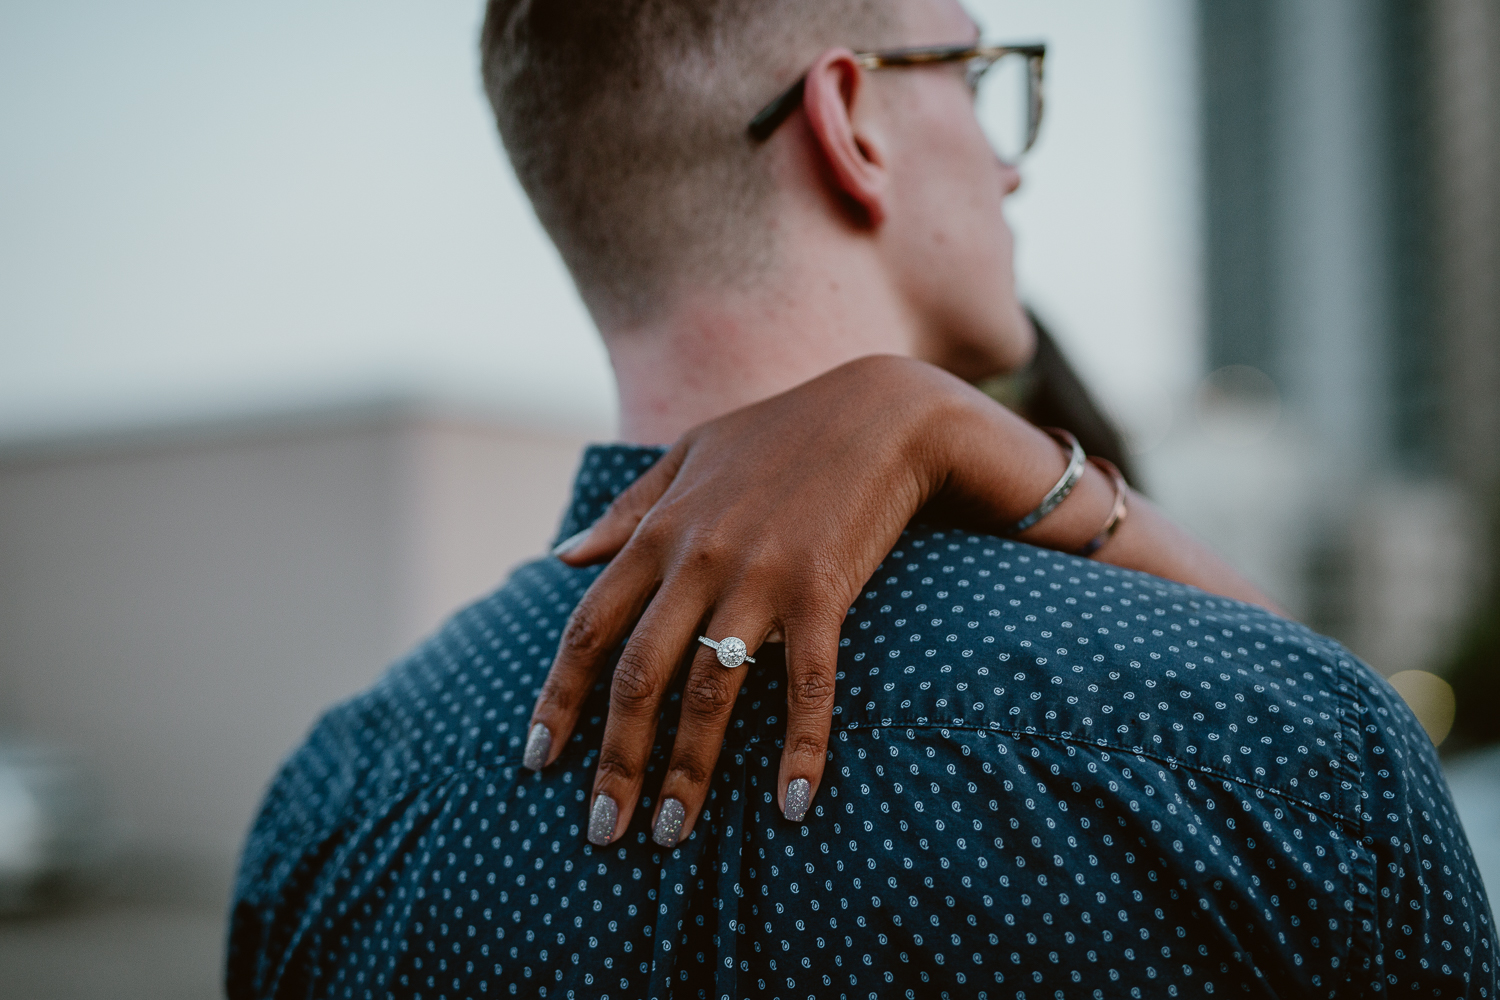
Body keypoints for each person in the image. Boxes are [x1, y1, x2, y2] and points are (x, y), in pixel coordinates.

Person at [227, 0, 1498, 996]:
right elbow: (1339, 761)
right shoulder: (1280, 755)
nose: (1009, 167)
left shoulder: (329, 810)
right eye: (978, 73)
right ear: (853, 120)